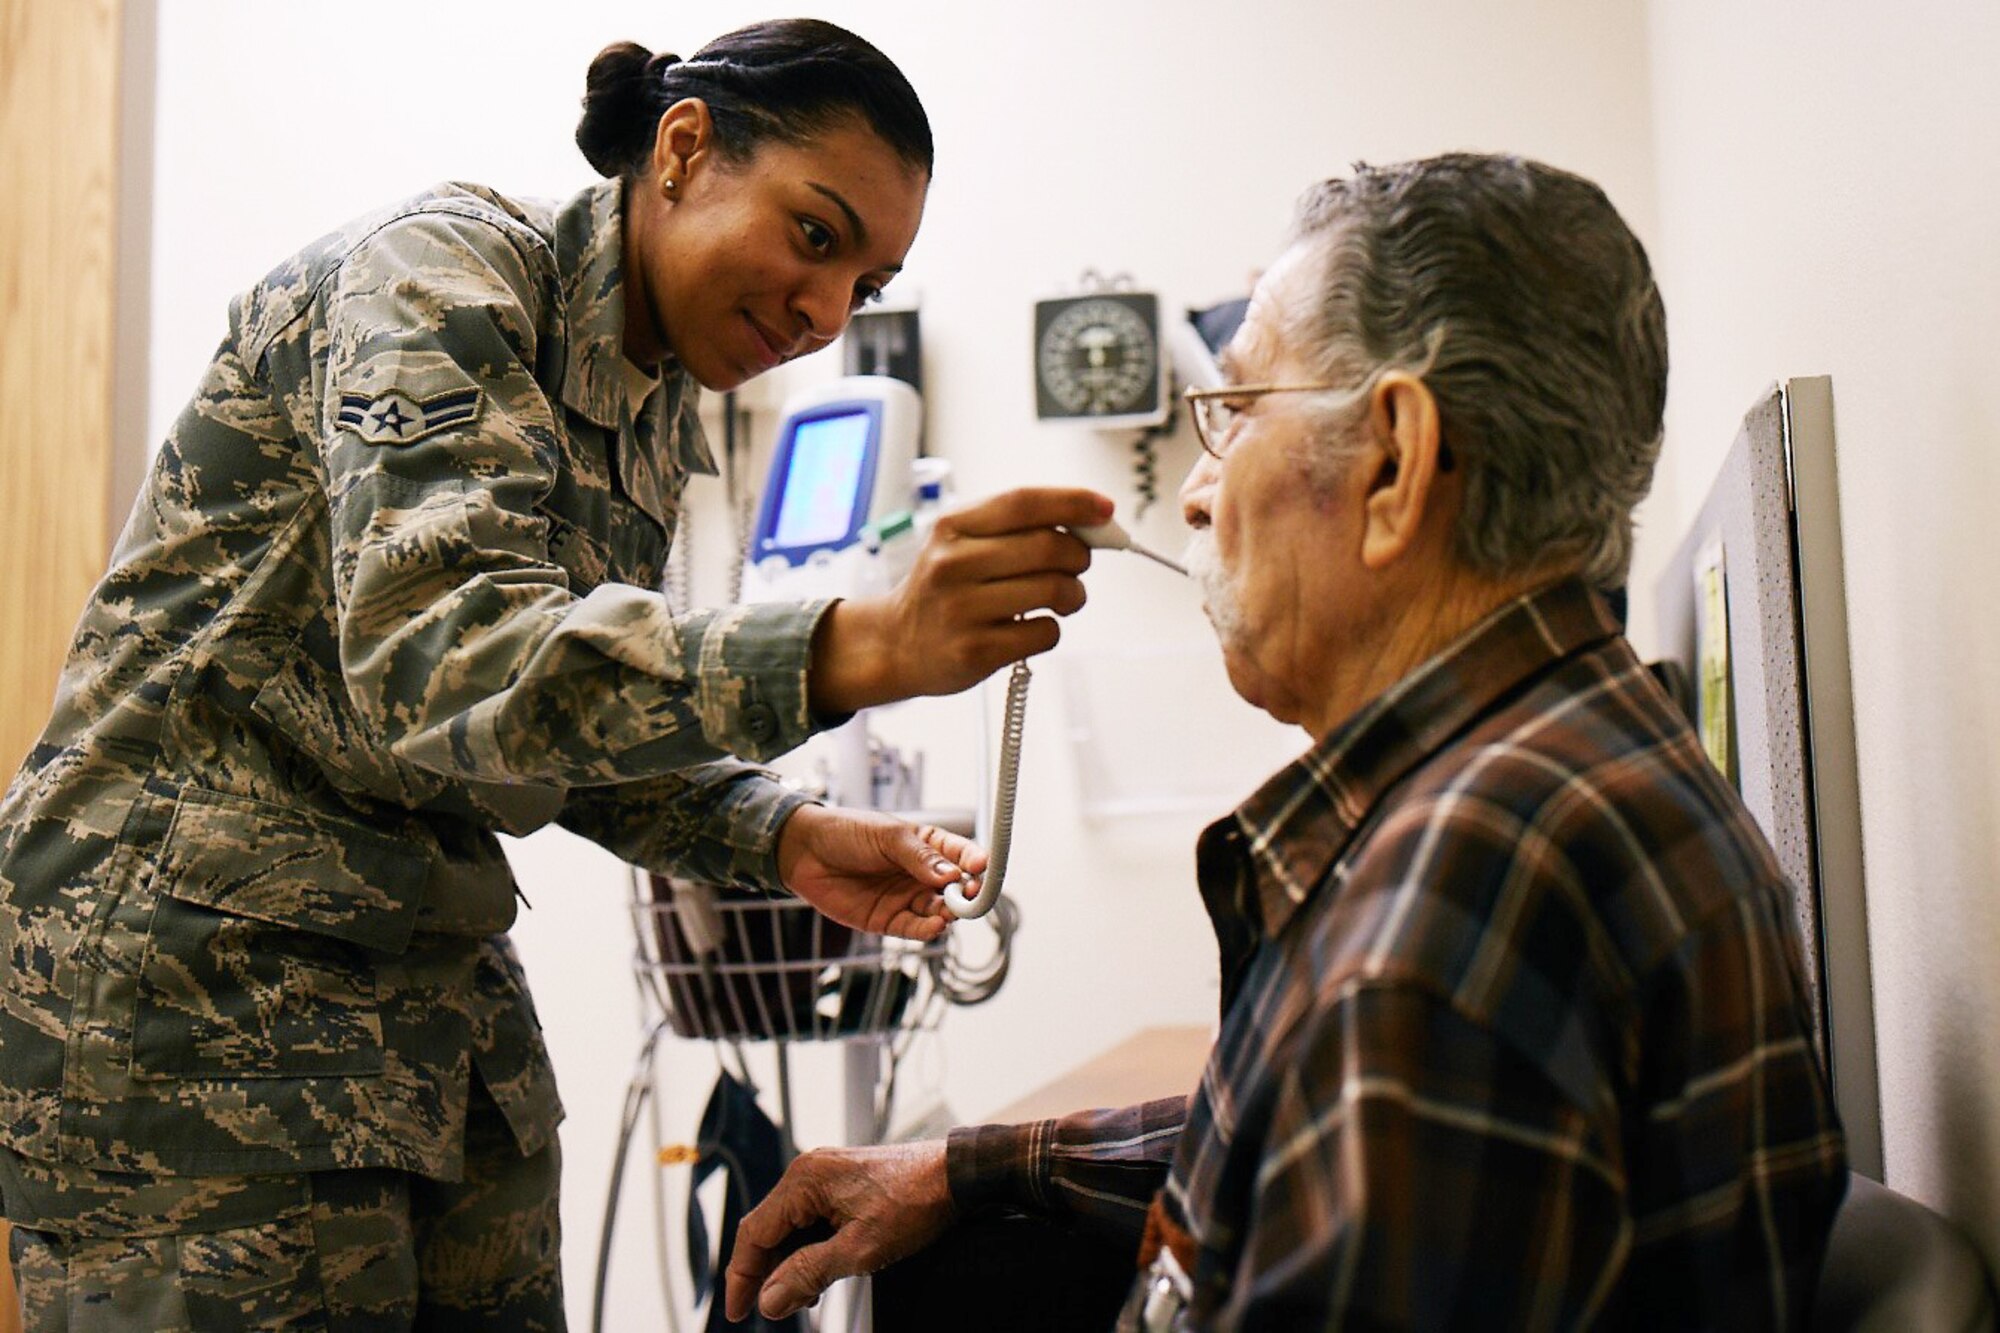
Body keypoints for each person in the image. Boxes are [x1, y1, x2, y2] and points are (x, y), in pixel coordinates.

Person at [0, 18, 1111, 1329]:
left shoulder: (651, 401)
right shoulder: (439, 275)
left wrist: (783, 832)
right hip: (192, 970)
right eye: (816, 236)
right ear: (685, 150)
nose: (823, 313)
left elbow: (553, 722)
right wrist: (851, 643)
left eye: (864, 288)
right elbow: (445, 663)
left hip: (420, 968)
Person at [724, 154, 1849, 1331]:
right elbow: (1293, 1132)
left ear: (1394, 466)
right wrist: (973, 1169)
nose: (1197, 495)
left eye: (1235, 413)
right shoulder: (1565, 779)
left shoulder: (1458, 908)